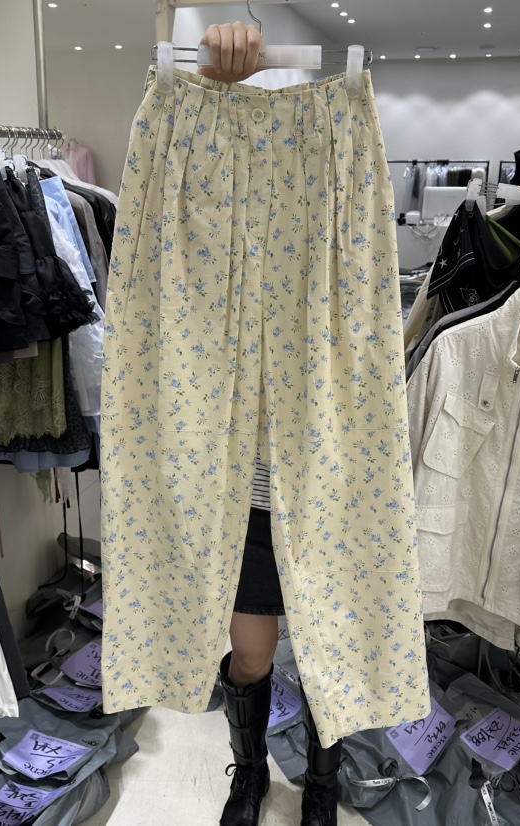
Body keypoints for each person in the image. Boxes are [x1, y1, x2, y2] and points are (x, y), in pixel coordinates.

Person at [198, 22, 344, 826]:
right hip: (243, 502)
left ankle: (322, 784)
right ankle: (249, 774)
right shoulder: (207, 247)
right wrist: (214, 86)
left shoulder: (333, 241)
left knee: (328, 660)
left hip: (323, 489)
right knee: (252, 657)